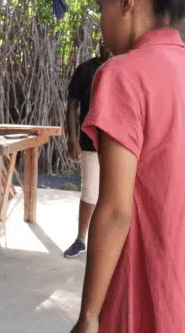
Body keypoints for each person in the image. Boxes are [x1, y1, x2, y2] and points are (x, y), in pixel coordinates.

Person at [72, 0, 185, 332]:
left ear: (127, 0)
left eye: (102, 4)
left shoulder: (121, 75)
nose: (102, 19)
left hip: (149, 286)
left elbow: (116, 210)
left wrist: (89, 314)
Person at [64, 43, 111, 258]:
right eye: (103, 43)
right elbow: (72, 106)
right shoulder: (85, 70)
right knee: (90, 191)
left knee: (117, 194)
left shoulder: (125, 67)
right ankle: (81, 239)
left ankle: (113, 243)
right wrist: (72, 138)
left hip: (119, 143)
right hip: (91, 141)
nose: (106, 47)